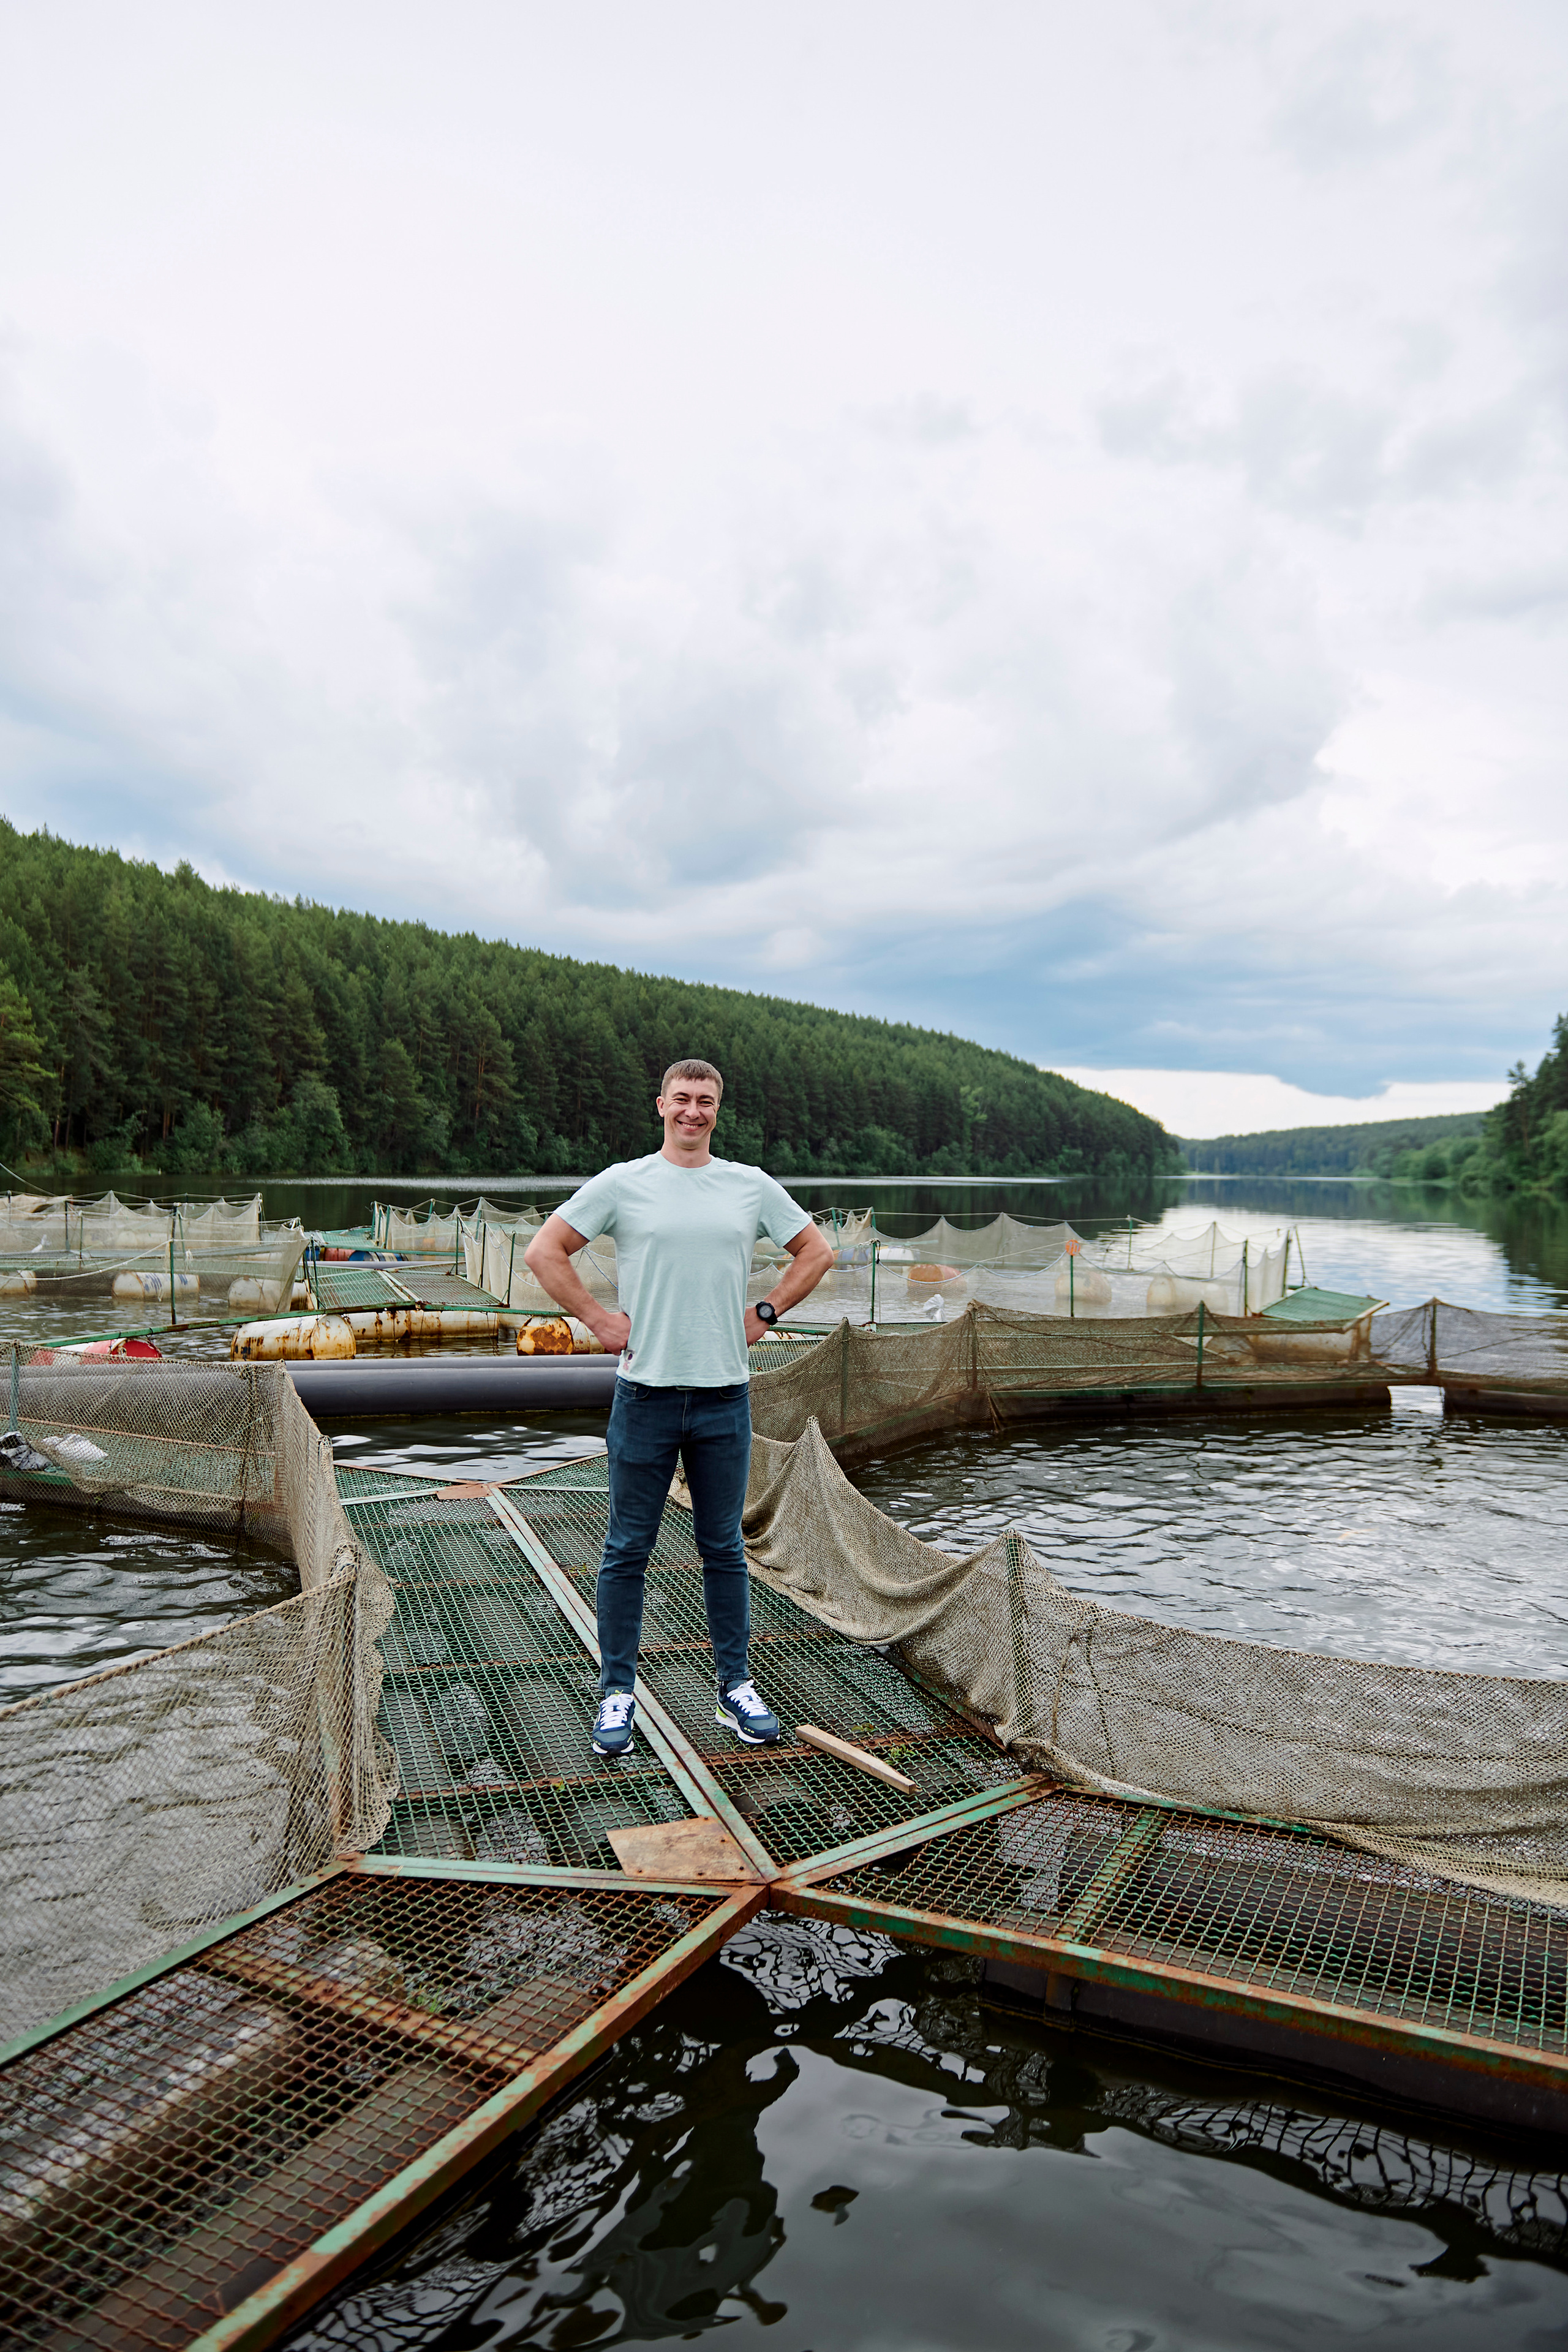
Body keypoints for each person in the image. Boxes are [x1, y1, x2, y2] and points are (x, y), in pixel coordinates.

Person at [524, 1060, 834, 1757]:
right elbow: (546, 1252)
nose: (694, 1111)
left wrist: (766, 1311)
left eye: (707, 1101)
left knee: (723, 1547)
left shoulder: (749, 1186)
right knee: (626, 1549)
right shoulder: (623, 1182)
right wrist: (598, 1320)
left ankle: (734, 1689)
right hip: (645, 1396)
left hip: (724, 1396)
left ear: (718, 1110)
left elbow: (816, 1252)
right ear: (661, 1105)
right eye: (683, 1099)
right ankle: (616, 1692)